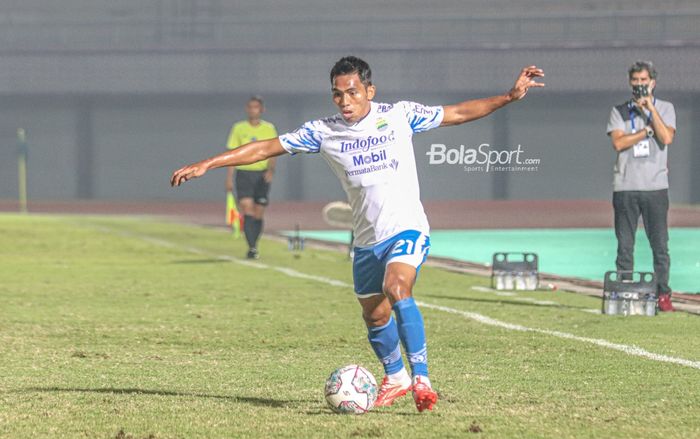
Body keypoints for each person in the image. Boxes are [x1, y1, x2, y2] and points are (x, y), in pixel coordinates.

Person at [171, 56, 544, 411]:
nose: (344, 101)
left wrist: (509, 97)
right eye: (337, 93)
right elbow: (265, 147)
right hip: (366, 241)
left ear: (370, 90)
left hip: (407, 228)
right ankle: (395, 377)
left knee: (398, 288)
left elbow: (459, 113)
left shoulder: (400, 116)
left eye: (352, 92)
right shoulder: (323, 132)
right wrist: (209, 163)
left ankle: (422, 381)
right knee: (374, 315)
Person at [606, 61, 676, 312]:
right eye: (635, 80)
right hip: (625, 186)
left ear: (652, 82)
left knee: (659, 244)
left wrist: (650, 111)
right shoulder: (620, 111)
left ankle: (663, 294)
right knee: (625, 244)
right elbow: (618, 143)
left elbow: (666, 137)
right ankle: (625, 291)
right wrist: (646, 132)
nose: (639, 85)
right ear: (630, 83)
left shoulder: (665, 108)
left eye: (643, 80)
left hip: (655, 187)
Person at [225, 96, 278, 259]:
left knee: (258, 212)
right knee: (246, 207)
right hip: (243, 173)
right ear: (247, 109)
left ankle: (255, 243)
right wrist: (229, 177)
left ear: (261, 110)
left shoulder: (269, 128)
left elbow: (274, 150)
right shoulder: (239, 128)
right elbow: (232, 154)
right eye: (250, 107)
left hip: (261, 175)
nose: (253, 110)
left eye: (256, 107)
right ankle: (252, 247)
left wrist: (270, 171)